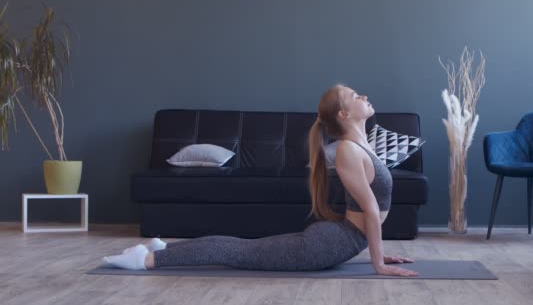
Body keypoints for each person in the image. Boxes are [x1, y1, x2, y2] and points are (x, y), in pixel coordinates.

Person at [103, 84, 418, 277]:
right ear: (344, 115)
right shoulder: (350, 150)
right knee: (239, 252)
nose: (363, 95)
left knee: (242, 249)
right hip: (324, 247)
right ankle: (147, 259)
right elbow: (371, 210)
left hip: (338, 240)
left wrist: (374, 250)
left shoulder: (360, 146)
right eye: (354, 95)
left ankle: (166, 249)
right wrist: (378, 262)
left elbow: (366, 217)